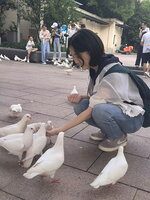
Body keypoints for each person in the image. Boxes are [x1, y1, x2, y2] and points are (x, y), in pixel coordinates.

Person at [47, 29, 145, 152]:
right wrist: (82, 97)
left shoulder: (111, 72)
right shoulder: (96, 67)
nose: (75, 61)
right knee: (81, 105)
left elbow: (93, 109)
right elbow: (107, 97)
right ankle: (107, 131)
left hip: (133, 118)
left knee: (99, 110)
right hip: (119, 110)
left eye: (77, 55)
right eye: (72, 56)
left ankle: (118, 136)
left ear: (89, 51)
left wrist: (59, 130)